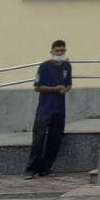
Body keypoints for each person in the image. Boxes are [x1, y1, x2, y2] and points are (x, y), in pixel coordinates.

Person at [24, 39, 72, 178]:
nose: (59, 53)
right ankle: (31, 169)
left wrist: (65, 89)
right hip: (44, 110)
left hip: (59, 110)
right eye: (57, 51)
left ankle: (45, 168)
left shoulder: (67, 66)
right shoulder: (44, 67)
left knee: (54, 141)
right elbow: (37, 87)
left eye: (62, 50)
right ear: (52, 52)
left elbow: (68, 83)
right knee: (38, 140)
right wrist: (54, 89)